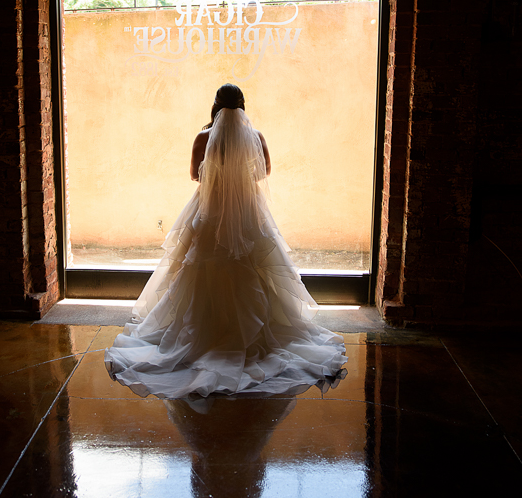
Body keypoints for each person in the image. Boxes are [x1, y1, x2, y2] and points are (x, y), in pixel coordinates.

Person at [104, 84, 347, 398]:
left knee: (198, 268)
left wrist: (219, 177)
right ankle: (251, 337)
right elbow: (265, 171)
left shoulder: (203, 138)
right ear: (243, 105)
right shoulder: (256, 137)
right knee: (255, 267)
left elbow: (195, 175)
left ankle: (203, 335)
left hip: (211, 210)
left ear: (215, 107)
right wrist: (239, 178)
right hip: (247, 209)